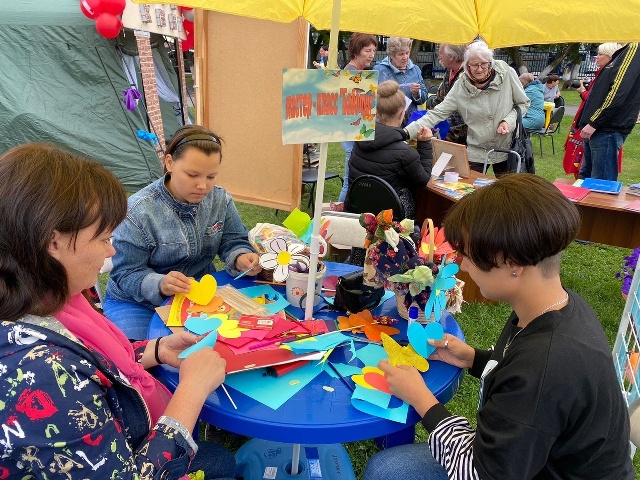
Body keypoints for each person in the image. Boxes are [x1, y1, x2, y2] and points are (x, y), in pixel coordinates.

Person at [363, 174, 634, 480]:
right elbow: (519, 374)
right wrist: (475, 358)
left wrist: (421, 399)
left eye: (469, 255)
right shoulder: (551, 307)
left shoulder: (545, 365)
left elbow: (480, 473)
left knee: (386, 471)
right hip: (527, 459)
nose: (464, 265)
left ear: (512, 263)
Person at [0, 143, 236, 479]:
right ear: (54, 243)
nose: (110, 250)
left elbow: (92, 361)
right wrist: (192, 390)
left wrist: (156, 349)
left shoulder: (47, 298)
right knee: (220, 463)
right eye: (103, 239)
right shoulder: (41, 374)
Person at [104, 125, 261, 339]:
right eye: (192, 174)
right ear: (169, 163)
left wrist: (240, 257)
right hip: (137, 303)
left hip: (198, 294)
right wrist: (160, 283)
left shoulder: (220, 199)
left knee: (231, 340)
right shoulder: (138, 211)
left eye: (211, 176)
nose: (202, 186)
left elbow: (233, 241)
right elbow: (126, 273)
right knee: (143, 354)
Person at [404, 40, 530, 175]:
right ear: (467, 65)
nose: (479, 69)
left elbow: (523, 103)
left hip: (508, 147)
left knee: (507, 187)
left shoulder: (507, 73)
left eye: (484, 64)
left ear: (490, 62)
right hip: (477, 150)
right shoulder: (460, 86)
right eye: (474, 65)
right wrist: (405, 132)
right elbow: (436, 114)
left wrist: (508, 122)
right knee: (467, 185)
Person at [346, 80, 433, 218]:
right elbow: (424, 180)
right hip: (390, 218)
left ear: (377, 113)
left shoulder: (360, 141)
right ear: (402, 113)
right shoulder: (406, 153)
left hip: (358, 210)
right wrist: (425, 144)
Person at [577, 42, 640, 181]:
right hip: (600, 128)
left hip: (606, 129)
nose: (597, 57)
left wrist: (594, 123)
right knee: (586, 178)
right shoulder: (623, 52)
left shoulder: (634, 47)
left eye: (600, 54)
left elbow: (618, 92)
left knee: (600, 183)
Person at [563, 43, 622, 178]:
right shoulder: (601, 74)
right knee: (585, 171)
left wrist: (583, 92)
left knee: (599, 176)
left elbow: (602, 101)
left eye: (600, 54)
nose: (597, 57)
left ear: (611, 57)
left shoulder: (612, 76)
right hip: (591, 127)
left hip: (601, 130)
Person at [338, 32, 379, 202]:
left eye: (373, 51)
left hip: (354, 132)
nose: (372, 55)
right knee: (349, 181)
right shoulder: (351, 73)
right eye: (367, 51)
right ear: (356, 51)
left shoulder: (358, 72)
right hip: (351, 134)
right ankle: (339, 212)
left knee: (352, 180)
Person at [373, 37, 428, 125]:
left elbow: (424, 97)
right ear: (391, 55)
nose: (405, 57)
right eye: (401, 54)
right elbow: (374, 98)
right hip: (388, 122)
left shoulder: (415, 70)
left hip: (410, 122)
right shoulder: (380, 70)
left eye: (407, 53)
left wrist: (417, 94)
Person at [429, 43, 468, 144]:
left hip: (461, 139)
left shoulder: (467, 76)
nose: (439, 57)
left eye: (441, 53)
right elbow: (439, 99)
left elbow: (461, 115)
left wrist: (445, 139)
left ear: (451, 57)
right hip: (444, 131)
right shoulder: (449, 71)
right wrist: (428, 119)